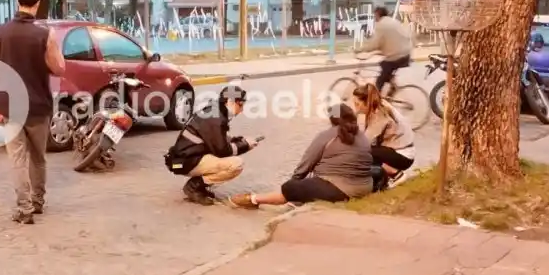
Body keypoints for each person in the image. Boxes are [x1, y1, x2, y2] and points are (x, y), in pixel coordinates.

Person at [0, 0, 66, 224]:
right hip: (37, 105)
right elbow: (59, 68)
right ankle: (37, 202)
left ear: (17, 0)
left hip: (10, 106)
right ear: (38, 4)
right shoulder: (45, 35)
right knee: (38, 158)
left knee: (17, 159)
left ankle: (23, 209)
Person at [228, 103, 373, 209]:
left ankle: (253, 199)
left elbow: (306, 164)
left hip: (339, 190)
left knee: (291, 187)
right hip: (365, 187)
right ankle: (297, 198)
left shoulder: (327, 136)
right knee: (311, 183)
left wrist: (293, 185)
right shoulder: (363, 137)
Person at [164, 85, 259, 205]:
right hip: (185, 161)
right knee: (236, 164)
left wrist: (241, 140)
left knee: (226, 159)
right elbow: (222, 151)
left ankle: (199, 185)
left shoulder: (214, 111)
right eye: (240, 104)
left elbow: (219, 140)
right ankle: (194, 186)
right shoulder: (215, 117)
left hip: (188, 157)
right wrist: (245, 145)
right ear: (230, 102)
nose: (242, 109)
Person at [351, 83, 415, 186]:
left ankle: (397, 175)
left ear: (366, 102)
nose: (356, 108)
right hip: (399, 149)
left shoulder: (380, 115)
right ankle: (386, 175)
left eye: (357, 104)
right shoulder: (379, 104)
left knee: (363, 152)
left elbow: (365, 142)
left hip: (403, 155)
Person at [357, 6, 413, 96]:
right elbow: (389, 40)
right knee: (383, 65)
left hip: (397, 56)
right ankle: (392, 84)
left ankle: (375, 100)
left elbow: (375, 44)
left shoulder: (381, 25)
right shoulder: (393, 21)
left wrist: (360, 50)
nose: (374, 19)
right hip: (405, 53)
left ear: (378, 15)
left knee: (380, 80)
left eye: (375, 16)